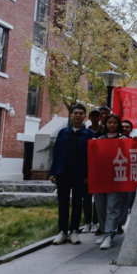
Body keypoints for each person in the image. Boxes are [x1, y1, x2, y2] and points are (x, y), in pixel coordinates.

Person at [50, 104, 96, 245]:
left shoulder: (90, 134)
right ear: (70, 115)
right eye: (75, 113)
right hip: (63, 173)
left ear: (85, 116)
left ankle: (74, 231)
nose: (77, 115)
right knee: (63, 203)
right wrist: (53, 172)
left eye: (80, 113)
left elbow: (93, 157)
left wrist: (89, 175)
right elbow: (56, 153)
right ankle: (62, 232)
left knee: (77, 203)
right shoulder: (62, 133)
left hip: (80, 175)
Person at [94, 114, 124, 250]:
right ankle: (104, 230)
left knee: (112, 207)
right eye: (109, 122)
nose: (111, 125)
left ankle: (110, 235)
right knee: (100, 207)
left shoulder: (123, 139)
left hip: (115, 178)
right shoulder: (99, 139)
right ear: (105, 124)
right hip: (100, 178)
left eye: (114, 122)